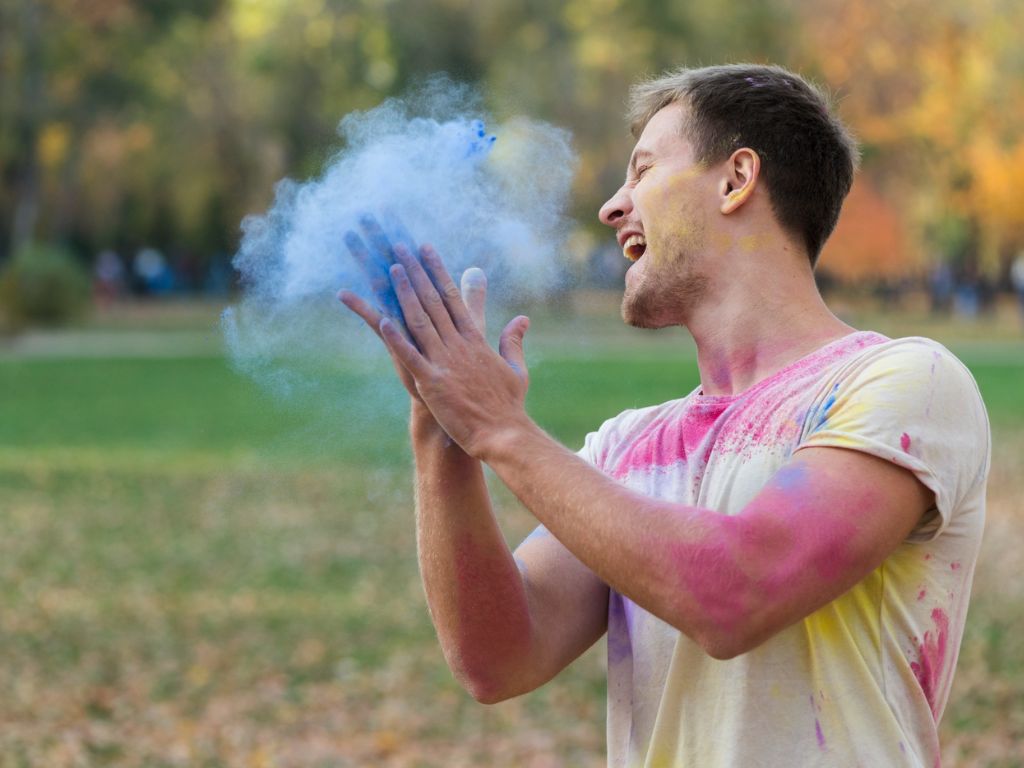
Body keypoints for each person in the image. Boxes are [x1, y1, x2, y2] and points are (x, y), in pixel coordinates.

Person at [339, 64, 989, 767]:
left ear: (736, 179)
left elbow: (736, 592)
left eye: (642, 170)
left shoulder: (907, 385)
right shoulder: (629, 445)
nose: (612, 207)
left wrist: (502, 430)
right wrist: (445, 432)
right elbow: (498, 659)